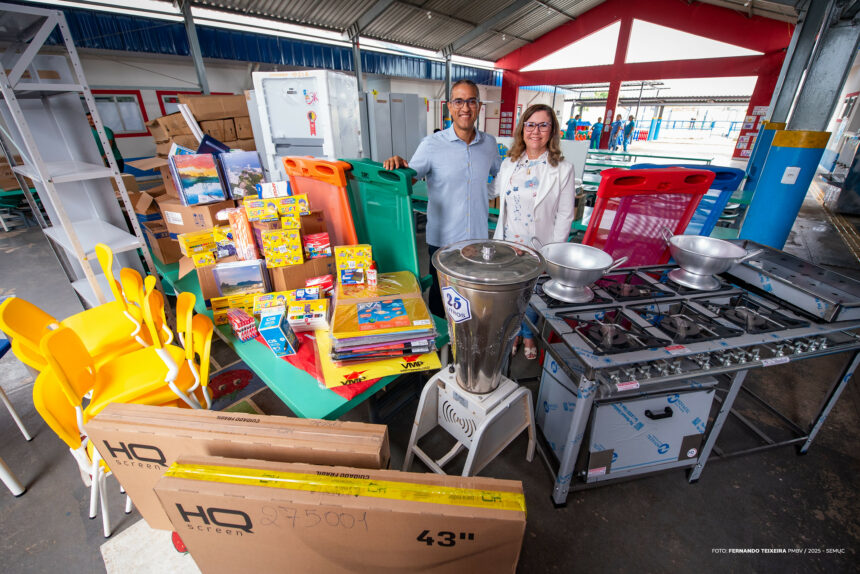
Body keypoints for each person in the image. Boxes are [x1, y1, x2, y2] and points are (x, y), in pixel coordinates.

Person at [383, 79, 502, 318]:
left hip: (478, 240)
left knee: (474, 300)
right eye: (459, 101)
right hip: (443, 242)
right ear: (449, 106)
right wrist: (397, 166)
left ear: (479, 106)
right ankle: (442, 351)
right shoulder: (431, 145)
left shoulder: (489, 144)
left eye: (471, 101)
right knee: (441, 301)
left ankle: (467, 348)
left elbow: (502, 176)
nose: (465, 108)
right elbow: (407, 179)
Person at [491, 104, 575, 360]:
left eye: (543, 125)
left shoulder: (562, 169)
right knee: (510, 295)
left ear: (552, 131)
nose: (535, 131)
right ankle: (512, 333)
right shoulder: (510, 164)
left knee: (533, 295)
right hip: (507, 244)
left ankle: (528, 335)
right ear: (522, 129)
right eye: (530, 124)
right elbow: (494, 193)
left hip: (539, 247)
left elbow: (565, 214)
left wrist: (552, 253)